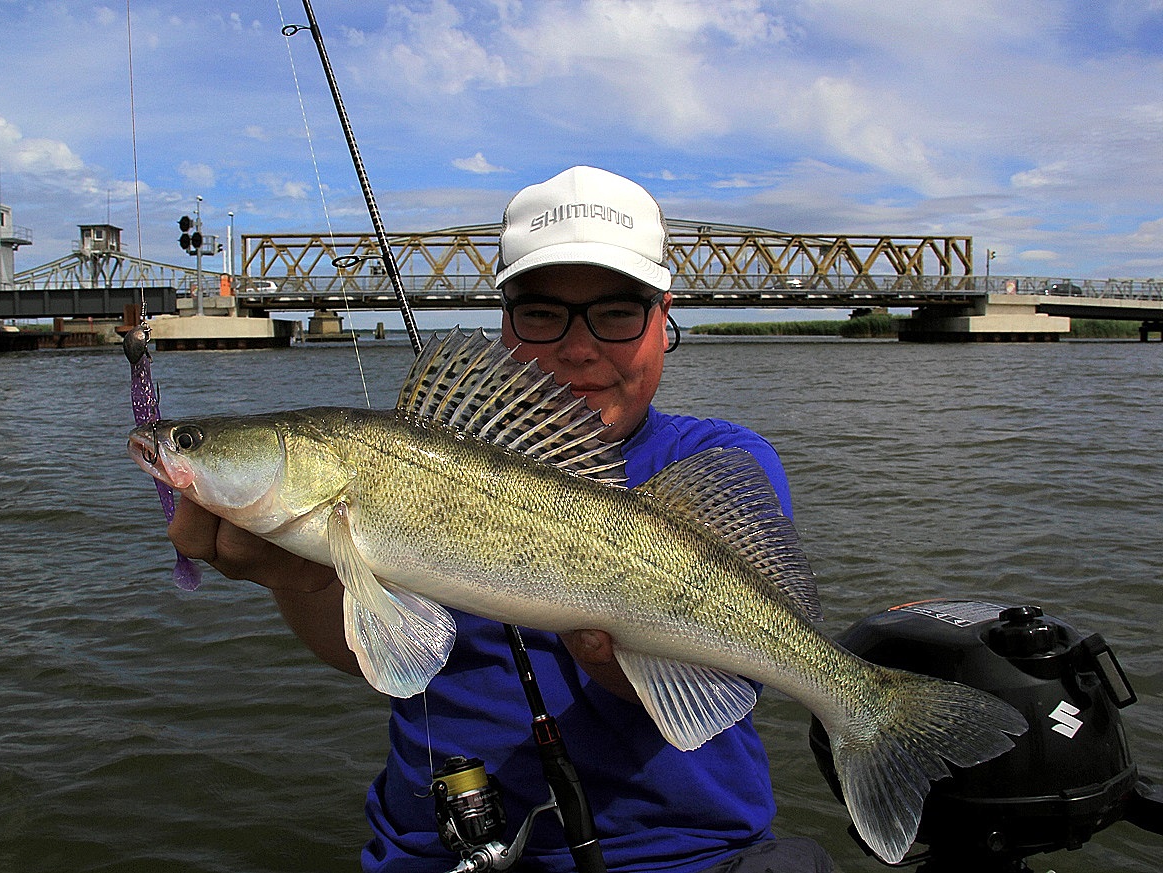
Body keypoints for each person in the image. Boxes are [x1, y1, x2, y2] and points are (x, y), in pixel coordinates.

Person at [169, 166, 834, 872]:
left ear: (664, 318)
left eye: (617, 313)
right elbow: (382, 656)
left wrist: (616, 648)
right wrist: (293, 580)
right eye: (542, 314)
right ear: (503, 318)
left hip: (680, 853)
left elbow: (727, 684)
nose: (579, 348)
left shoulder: (715, 462)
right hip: (440, 847)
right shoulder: (392, 470)